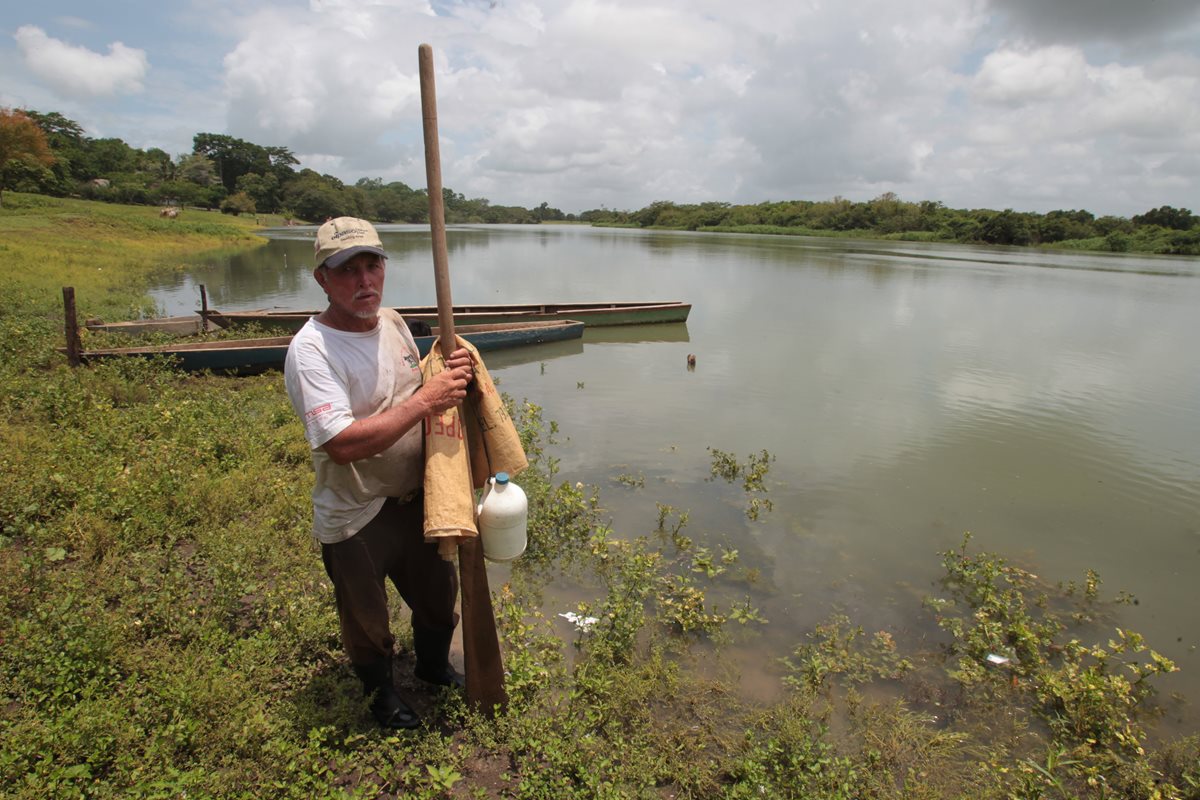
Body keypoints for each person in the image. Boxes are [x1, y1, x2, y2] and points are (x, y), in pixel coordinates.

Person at [284, 217, 475, 730]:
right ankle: (382, 696)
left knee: (439, 596)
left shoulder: (392, 322)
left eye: (373, 266)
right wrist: (427, 401)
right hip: (357, 507)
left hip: (413, 497)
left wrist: (449, 373)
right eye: (347, 270)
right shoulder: (312, 351)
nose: (364, 281)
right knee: (367, 619)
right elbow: (342, 445)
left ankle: (433, 669)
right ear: (322, 279)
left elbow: (417, 388)